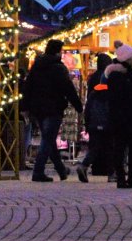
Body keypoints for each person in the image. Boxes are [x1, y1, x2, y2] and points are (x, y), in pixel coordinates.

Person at [21, 41, 81, 183]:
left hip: (38, 109)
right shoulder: (58, 69)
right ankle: (38, 171)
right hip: (53, 108)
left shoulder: (37, 66)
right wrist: (78, 106)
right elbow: (68, 88)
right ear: (57, 52)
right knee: (47, 140)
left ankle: (61, 170)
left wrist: (25, 106)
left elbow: (28, 87)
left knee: (49, 140)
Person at [105, 45, 132, 189]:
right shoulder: (120, 75)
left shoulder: (125, 74)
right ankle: (125, 178)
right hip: (126, 118)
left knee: (124, 148)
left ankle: (127, 178)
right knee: (125, 148)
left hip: (127, 118)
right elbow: (126, 98)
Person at [78, 53, 112, 183]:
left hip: (94, 120)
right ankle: (111, 173)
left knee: (95, 147)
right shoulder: (110, 86)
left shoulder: (93, 85)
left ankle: (85, 165)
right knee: (110, 146)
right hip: (107, 120)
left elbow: (88, 106)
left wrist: (87, 123)